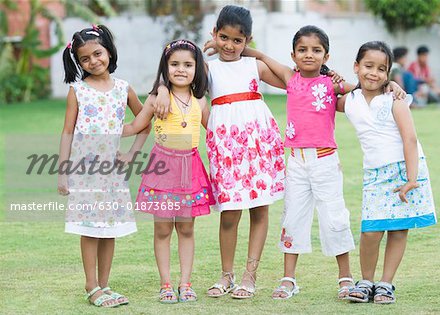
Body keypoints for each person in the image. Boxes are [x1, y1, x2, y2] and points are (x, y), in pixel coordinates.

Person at [155, 5, 287, 299]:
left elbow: (290, 80)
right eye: (223, 37)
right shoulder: (207, 68)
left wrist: (260, 54)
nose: (229, 45)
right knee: (229, 213)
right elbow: (178, 75)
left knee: (259, 208)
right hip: (227, 146)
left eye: (238, 41)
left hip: (259, 142)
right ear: (214, 34)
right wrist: (163, 88)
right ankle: (226, 274)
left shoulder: (255, 66)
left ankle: (249, 276)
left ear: (248, 40)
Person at [241, 25, 357, 300]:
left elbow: (365, 88)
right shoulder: (290, 79)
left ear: (326, 57)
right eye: (302, 50)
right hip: (296, 164)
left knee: (335, 219)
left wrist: (392, 85)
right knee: (292, 219)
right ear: (293, 55)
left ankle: (345, 278)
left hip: (326, 162)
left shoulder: (333, 85)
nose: (309, 55)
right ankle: (288, 279)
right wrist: (242, 48)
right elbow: (265, 59)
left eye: (316, 50)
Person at [341, 41, 437, 304]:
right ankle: (366, 281)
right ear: (356, 66)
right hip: (374, 173)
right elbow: (325, 91)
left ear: (388, 73)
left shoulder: (395, 100)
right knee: (370, 231)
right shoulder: (349, 100)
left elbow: (410, 139)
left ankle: (385, 284)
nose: (374, 73)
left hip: (404, 170)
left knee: (398, 229)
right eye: (368, 66)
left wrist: (412, 179)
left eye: (381, 69)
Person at [58, 24, 146, 307]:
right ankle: (91, 285)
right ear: (78, 62)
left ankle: (105, 284)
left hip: (113, 174)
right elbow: (67, 133)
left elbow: (144, 121)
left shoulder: (123, 88)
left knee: (110, 229)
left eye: (98, 53)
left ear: (108, 50)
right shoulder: (78, 91)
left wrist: (132, 152)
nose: (93, 61)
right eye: (85, 59)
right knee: (90, 228)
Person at [122, 39, 214, 303]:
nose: (181, 70)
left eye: (188, 64)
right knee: (162, 230)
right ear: (165, 67)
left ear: (197, 68)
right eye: (174, 64)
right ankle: (165, 283)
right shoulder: (155, 99)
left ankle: (185, 283)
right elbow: (135, 126)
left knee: (186, 230)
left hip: (190, 170)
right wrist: (104, 125)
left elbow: (216, 132)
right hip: (162, 171)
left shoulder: (200, 100)